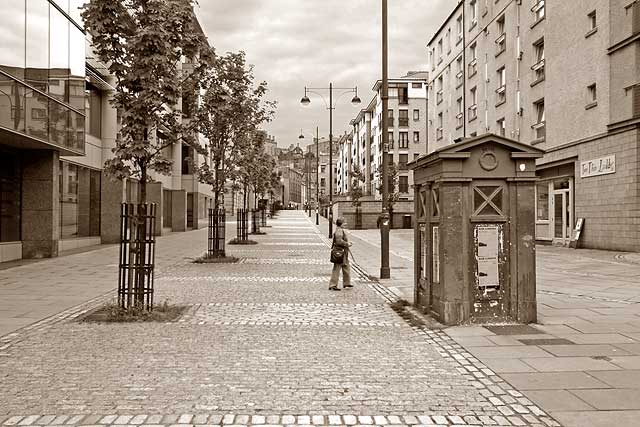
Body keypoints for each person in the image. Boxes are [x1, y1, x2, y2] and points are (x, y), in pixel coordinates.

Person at [329, 218, 352, 291]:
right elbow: (339, 241)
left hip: (342, 252)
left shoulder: (340, 229)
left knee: (346, 266)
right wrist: (347, 244)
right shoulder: (339, 230)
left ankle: (346, 283)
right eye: (344, 222)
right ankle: (333, 285)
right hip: (339, 252)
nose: (346, 224)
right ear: (341, 223)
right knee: (337, 268)